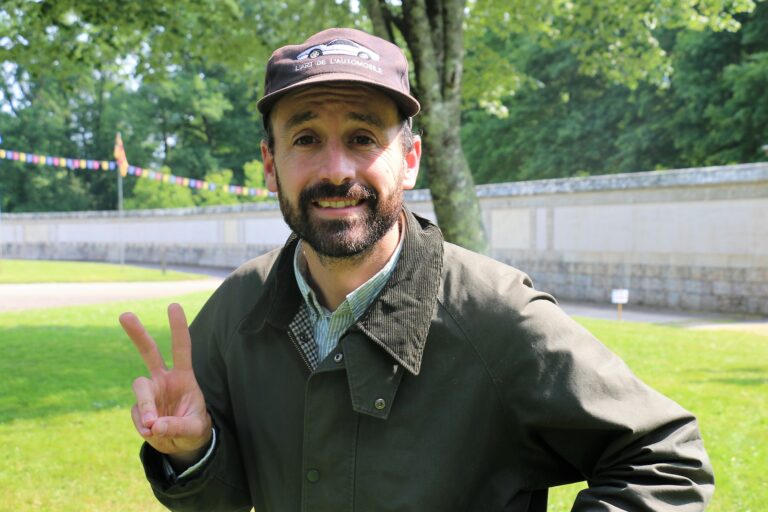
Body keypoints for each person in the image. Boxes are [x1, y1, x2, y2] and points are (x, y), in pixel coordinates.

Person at [119, 27, 714, 511]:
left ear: (409, 160)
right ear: (270, 165)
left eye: (362, 137)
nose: (336, 170)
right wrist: (193, 451)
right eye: (305, 138)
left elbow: (667, 460)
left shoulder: (495, 315)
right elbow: (218, 498)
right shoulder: (237, 310)